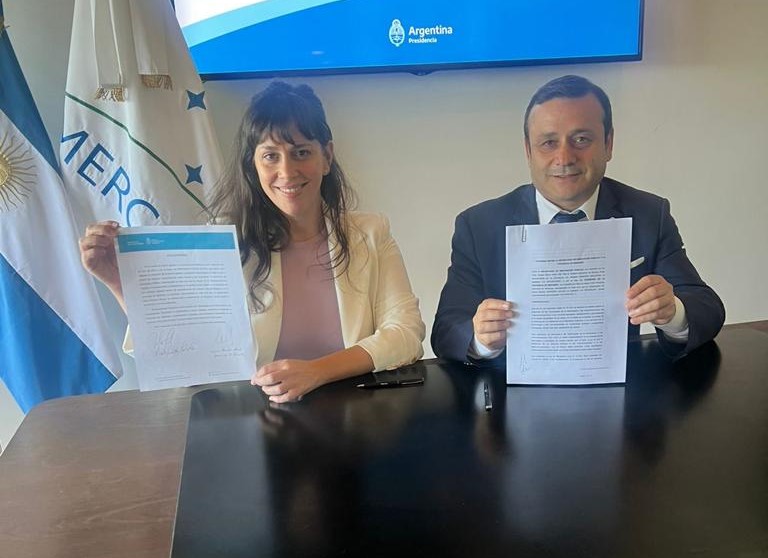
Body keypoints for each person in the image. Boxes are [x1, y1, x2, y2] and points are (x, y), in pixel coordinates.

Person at [80, 81, 425, 401]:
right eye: (271, 156)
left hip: (357, 416)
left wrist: (316, 372)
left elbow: (406, 334)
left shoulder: (371, 232)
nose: (287, 172)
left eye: (301, 152)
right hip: (258, 421)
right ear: (254, 165)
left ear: (327, 157)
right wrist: (118, 282)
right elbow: (187, 356)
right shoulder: (225, 244)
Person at [431, 75, 725, 367]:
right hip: (509, 390)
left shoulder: (649, 214)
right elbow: (446, 330)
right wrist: (481, 340)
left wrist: (672, 312)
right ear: (528, 151)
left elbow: (707, 308)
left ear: (608, 144)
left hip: (621, 387)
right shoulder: (479, 226)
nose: (564, 157)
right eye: (548, 142)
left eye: (581, 139)